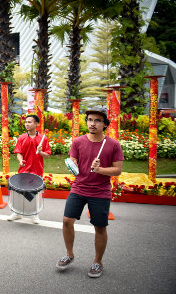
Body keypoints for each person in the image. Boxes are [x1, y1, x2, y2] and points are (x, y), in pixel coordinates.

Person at [56, 108, 124, 278]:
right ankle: (69, 254)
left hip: (100, 191)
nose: (93, 123)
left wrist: (100, 169)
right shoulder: (78, 142)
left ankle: (97, 262)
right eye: (90, 120)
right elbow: (73, 163)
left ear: (105, 124)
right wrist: (71, 165)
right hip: (79, 187)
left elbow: (117, 171)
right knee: (66, 221)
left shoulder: (113, 144)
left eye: (97, 121)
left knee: (100, 226)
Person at [7, 115, 51, 224]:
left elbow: (47, 155)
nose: (27, 124)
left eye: (29, 122)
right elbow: (19, 153)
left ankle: (34, 214)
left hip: (37, 169)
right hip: (24, 169)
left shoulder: (43, 138)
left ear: (36, 124)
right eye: (26, 122)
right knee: (19, 192)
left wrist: (40, 152)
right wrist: (20, 161)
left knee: (35, 193)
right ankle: (16, 213)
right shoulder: (22, 138)